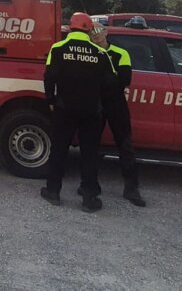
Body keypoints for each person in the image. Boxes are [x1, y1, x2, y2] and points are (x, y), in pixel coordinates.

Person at [41, 12, 118, 212]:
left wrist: (51, 100)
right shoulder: (100, 53)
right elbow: (111, 83)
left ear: (70, 27)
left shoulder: (58, 48)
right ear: (89, 29)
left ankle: (53, 191)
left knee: (59, 150)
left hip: (64, 108)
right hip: (91, 111)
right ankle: (89, 197)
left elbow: (49, 77)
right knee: (89, 153)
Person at [91, 26, 146, 207]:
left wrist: (101, 78)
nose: (95, 34)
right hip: (94, 103)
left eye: (98, 30)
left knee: (125, 145)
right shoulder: (88, 52)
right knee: (90, 145)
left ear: (106, 32)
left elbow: (124, 80)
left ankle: (131, 188)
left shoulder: (121, 53)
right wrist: (110, 77)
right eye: (91, 32)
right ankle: (89, 185)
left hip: (116, 104)